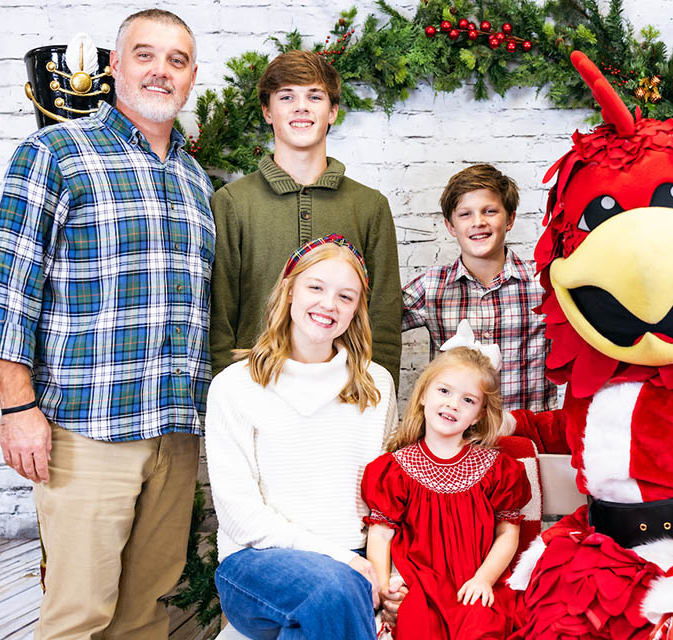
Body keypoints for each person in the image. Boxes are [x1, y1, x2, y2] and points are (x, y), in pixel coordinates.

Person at [0, 9, 212, 637]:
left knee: (147, 614)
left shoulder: (196, 180)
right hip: (87, 429)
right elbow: (9, 289)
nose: (160, 70)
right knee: (78, 615)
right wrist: (16, 409)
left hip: (176, 430)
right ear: (114, 67)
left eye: (177, 60)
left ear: (191, 78)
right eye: (145, 54)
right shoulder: (56, 153)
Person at [205, 235, 398, 640]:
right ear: (289, 289)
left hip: (356, 558)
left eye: (346, 297)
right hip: (257, 564)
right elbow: (241, 516)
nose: (329, 304)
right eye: (316, 287)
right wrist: (341, 561)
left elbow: (388, 499)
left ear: (356, 311)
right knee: (333, 590)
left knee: (323, 611)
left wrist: (386, 572)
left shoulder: (376, 385)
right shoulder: (235, 386)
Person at [210, 49, 401, 384]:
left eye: (314, 96)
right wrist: (227, 393)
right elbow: (220, 316)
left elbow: (384, 316)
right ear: (268, 112)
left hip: (345, 393)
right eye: (287, 97)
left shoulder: (369, 206)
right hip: (255, 388)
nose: (301, 107)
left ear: (333, 112)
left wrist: (378, 394)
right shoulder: (232, 203)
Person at [362, 322, 532, 639]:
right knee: (417, 627)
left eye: (468, 400)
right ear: (424, 394)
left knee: (483, 627)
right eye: (444, 391)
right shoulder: (394, 469)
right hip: (421, 588)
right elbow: (381, 536)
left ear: (480, 414)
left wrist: (484, 579)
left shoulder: (497, 469)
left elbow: (508, 533)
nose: (453, 403)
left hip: (475, 583)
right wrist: (385, 592)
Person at [402, 164, 556, 412]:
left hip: (527, 435)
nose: (478, 222)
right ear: (450, 226)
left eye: (490, 211)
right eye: (465, 214)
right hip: (458, 440)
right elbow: (374, 324)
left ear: (510, 219)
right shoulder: (432, 287)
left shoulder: (542, 282)